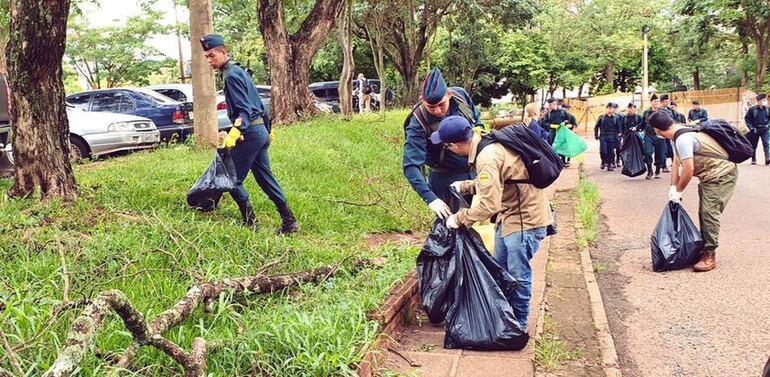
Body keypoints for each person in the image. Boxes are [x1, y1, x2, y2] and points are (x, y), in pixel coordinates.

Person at [434, 116, 551, 330]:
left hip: (524, 221)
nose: (448, 150)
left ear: (457, 145)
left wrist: (459, 219)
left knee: (517, 274)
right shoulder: (488, 144)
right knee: (500, 270)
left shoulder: (486, 157)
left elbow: (489, 205)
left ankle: (518, 325)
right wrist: (467, 186)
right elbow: (500, 180)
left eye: (447, 146)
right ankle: (505, 318)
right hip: (511, 218)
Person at [201, 34, 299, 234]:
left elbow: (244, 109)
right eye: (207, 57)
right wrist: (267, 130)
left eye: (212, 55)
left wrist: (236, 132)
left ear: (223, 52)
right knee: (265, 177)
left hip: (251, 134)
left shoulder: (231, 75)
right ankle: (289, 221)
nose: (210, 60)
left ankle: (250, 222)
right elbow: (260, 105)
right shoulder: (241, 72)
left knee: (230, 177)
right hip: (259, 132)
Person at [648, 111, 738, 272]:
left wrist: (680, 191)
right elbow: (677, 163)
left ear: (657, 130)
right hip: (709, 176)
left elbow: (688, 170)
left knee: (709, 213)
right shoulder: (678, 134)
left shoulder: (683, 139)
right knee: (704, 212)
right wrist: (673, 188)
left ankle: (710, 254)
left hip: (722, 175)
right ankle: (704, 248)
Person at [402, 67, 481, 219]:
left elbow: (477, 121)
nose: (438, 111)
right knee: (452, 230)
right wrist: (431, 199)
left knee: (483, 225)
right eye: (431, 107)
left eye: (441, 104)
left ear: (449, 95)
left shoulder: (461, 97)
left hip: (476, 170)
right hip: (446, 179)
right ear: (422, 100)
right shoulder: (418, 122)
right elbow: (411, 166)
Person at [541, 98, 578, 166]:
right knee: (553, 146)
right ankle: (555, 161)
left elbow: (571, 118)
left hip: (561, 131)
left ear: (554, 104)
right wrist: (550, 126)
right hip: (552, 132)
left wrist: (571, 124)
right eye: (549, 105)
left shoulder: (563, 111)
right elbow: (543, 123)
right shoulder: (548, 114)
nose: (549, 106)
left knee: (562, 145)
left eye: (550, 105)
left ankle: (563, 161)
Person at [642, 94, 669, 178]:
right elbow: (642, 123)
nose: (656, 103)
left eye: (657, 101)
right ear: (651, 103)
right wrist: (636, 128)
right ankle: (650, 171)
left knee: (660, 154)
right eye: (654, 101)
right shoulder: (646, 112)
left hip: (660, 135)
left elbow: (670, 122)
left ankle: (657, 171)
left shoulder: (664, 112)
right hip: (649, 135)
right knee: (647, 152)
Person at [744, 93, 770, 165]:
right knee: (754, 145)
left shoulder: (768, 109)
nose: (765, 101)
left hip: (765, 129)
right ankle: (753, 159)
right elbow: (747, 119)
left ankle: (767, 158)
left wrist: (768, 125)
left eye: (765, 100)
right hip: (755, 129)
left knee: (766, 144)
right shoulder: (752, 110)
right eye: (763, 100)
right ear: (759, 101)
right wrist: (751, 128)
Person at [594, 103, 621, 171]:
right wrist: (596, 135)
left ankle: (609, 165)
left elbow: (618, 127)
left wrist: (618, 136)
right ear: (606, 109)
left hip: (612, 136)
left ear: (613, 109)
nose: (610, 110)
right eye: (608, 108)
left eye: (611, 108)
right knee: (603, 151)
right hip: (603, 136)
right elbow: (596, 126)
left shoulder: (616, 118)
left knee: (611, 152)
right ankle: (603, 161)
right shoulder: (601, 117)